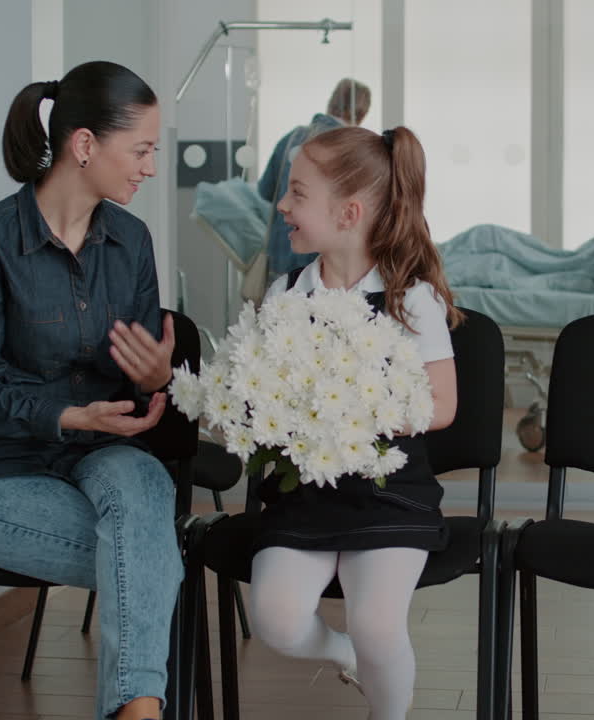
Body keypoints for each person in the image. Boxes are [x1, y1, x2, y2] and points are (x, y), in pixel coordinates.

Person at [0, 61, 181, 720]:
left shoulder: (131, 242)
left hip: (101, 455)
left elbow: (139, 376)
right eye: (142, 149)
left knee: (147, 493)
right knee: (152, 558)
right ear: (83, 146)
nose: (150, 167)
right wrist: (70, 413)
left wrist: (155, 378)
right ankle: (142, 712)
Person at [250, 125, 461, 720]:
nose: (282, 206)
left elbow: (441, 405)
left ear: (348, 212)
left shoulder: (409, 299)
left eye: (296, 193)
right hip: (304, 499)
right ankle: (344, 655)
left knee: (376, 623)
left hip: (389, 497)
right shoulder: (285, 295)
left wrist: (350, 413)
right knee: (276, 620)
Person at [257, 78, 372, 280]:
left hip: (279, 255)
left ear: (331, 102)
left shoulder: (291, 138)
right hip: (321, 264)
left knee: (280, 309)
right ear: (361, 114)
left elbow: (265, 191)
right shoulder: (348, 147)